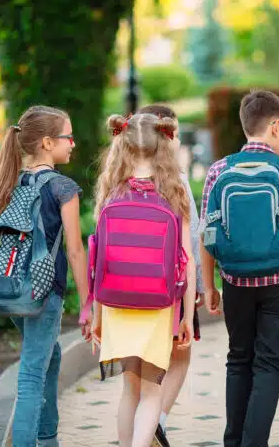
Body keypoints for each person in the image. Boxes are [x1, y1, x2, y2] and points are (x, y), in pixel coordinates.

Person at [199, 90, 279, 447]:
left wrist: (209, 286)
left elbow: (207, 232)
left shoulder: (218, 170)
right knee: (269, 367)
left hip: (235, 281)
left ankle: (233, 440)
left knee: (238, 360)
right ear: (276, 127)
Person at [0, 105, 92, 447]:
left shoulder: (11, 183)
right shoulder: (62, 188)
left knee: (48, 355)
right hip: (42, 295)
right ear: (46, 142)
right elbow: (75, 252)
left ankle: (47, 437)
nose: (73, 143)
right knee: (31, 374)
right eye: (67, 137)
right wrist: (88, 305)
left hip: (13, 292)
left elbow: (1, 247)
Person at [91, 113, 197, 447]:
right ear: (163, 146)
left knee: (129, 390)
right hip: (158, 307)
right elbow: (187, 262)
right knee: (152, 393)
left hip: (117, 305)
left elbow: (98, 260)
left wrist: (96, 316)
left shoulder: (110, 193)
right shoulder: (174, 194)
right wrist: (187, 318)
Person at [138, 104, 204, 447]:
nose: (176, 140)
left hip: (130, 287)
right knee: (180, 356)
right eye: (173, 133)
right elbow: (192, 242)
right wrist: (201, 289)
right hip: (173, 287)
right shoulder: (174, 180)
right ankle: (156, 422)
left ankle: (139, 427)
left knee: (136, 375)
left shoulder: (119, 177)